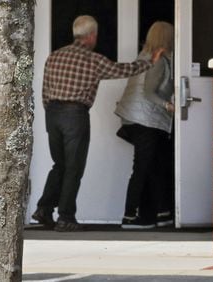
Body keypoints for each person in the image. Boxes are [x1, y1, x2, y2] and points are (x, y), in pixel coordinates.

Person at [32, 15, 164, 232]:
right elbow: (124, 70)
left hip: (53, 114)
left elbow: (45, 91)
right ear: (92, 36)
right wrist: (150, 62)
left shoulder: (54, 57)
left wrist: (52, 110)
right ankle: (66, 217)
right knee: (74, 167)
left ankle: (44, 209)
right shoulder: (92, 60)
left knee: (60, 164)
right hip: (75, 115)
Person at [114, 21, 175, 229]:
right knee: (142, 168)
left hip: (136, 117)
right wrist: (168, 105)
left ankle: (162, 212)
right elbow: (149, 92)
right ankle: (130, 216)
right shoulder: (157, 60)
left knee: (155, 165)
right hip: (144, 119)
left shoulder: (144, 56)